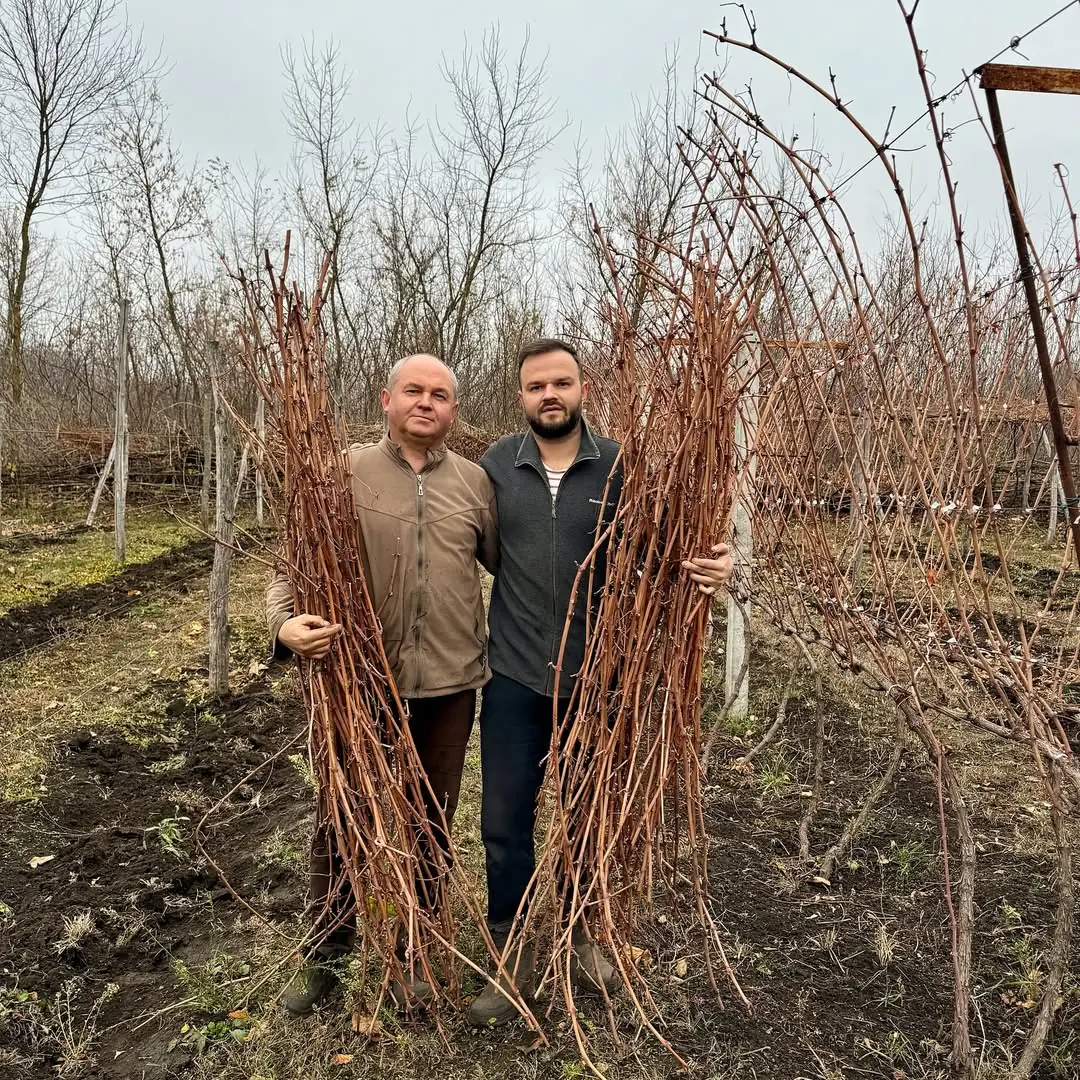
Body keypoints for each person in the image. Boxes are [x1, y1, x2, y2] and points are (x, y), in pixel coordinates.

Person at [467, 338, 733, 1027]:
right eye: (535, 386)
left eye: (561, 382)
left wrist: (711, 563)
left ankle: (585, 936)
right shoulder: (496, 465)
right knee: (504, 824)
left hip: (601, 677)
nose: (549, 395)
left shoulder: (622, 466)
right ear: (520, 395)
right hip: (514, 676)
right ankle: (513, 952)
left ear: (584, 387)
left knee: (589, 817)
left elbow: (672, 549)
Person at [266, 353, 498, 1016]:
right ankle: (325, 962)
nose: (427, 403)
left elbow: (519, 565)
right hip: (359, 680)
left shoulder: (476, 483)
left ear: (454, 409)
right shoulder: (341, 473)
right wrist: (284, 625)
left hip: (450, 683)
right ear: (386, 400)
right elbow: (291, 563)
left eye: (441, 395)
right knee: (341, 821)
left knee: (431, 823)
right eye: (414, 391)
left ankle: (416, 956)